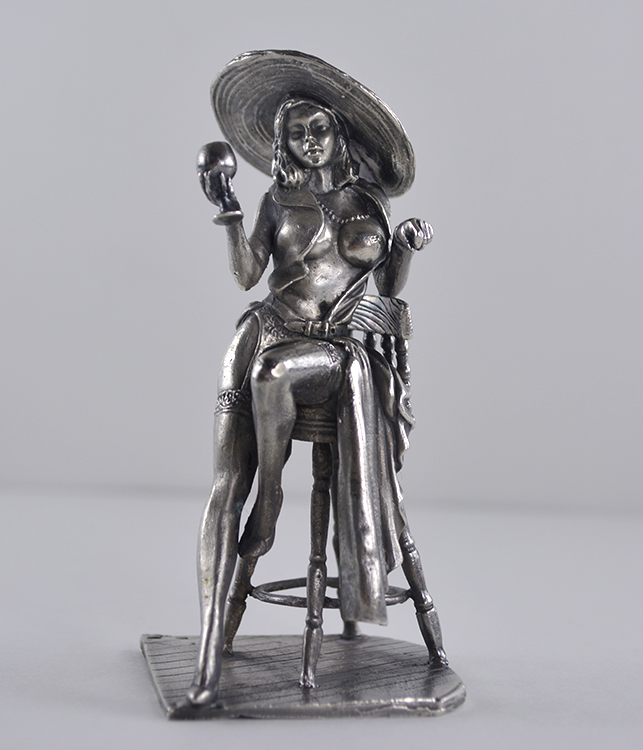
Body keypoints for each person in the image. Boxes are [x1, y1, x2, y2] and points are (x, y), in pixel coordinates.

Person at [188, 51, 447, 707]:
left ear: (339, 134)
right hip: (268, 326)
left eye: (320, 129)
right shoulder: (277, 199)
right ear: (283, 142)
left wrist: (406, 246)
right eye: (297, 132)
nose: (310, 141)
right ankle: (207, 658)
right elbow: (248, 275)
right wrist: (229, 210)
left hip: (334, 353)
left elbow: (387, 288)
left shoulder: (366, 201)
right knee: (226, 475)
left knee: (272, 372)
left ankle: (272, 498)